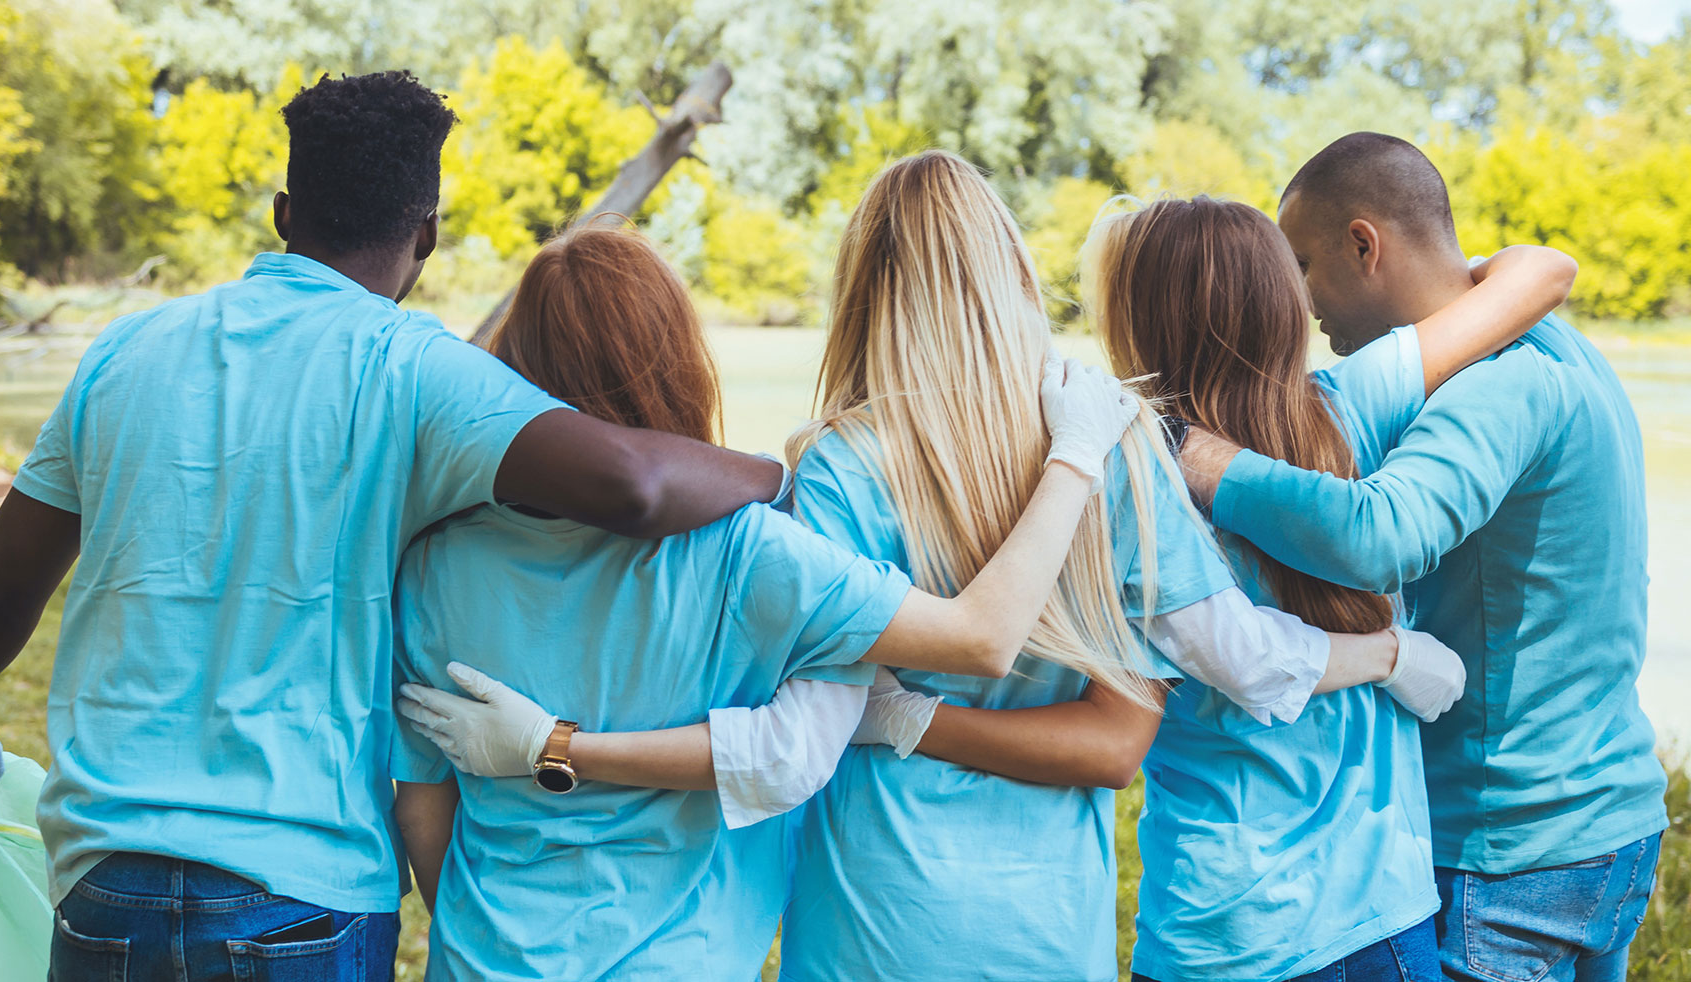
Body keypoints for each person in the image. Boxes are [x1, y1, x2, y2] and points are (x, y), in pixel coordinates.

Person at [405, 151, 1469, 982]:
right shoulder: (1108, 438)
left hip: (874, 918)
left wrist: (557, 747)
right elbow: (1242, 658)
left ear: (865, 288)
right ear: (1008, 271)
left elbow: (798, 744)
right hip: (1046, 926)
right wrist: (1386, 653)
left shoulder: (835, 471)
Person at [0, 72, 802, 982]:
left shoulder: (123, 351)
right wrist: (785, 473)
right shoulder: (418, 373)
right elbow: (638, 485)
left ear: (282, 212)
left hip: (105, 882)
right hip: (301, 897)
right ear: (427, 233)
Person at [388, 221, 1143, 980]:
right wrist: (1075, 454)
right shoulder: (750, 556)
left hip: (484, 956)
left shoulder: (430, 569)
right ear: (678, 360)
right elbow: (979, 639)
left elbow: (424, 804)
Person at [1177, 132, 1667, 982]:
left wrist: (1213, 466)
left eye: (1304, 264)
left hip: (1511, 844)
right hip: (1602, 818)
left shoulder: (1500, 382)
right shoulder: (1564, 344)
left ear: (1365, 246)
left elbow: (1380, 537)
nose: (1300, 302)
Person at [1085, 195, 1577, 982]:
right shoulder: (1354, 403)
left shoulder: (1129, 472)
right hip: (1382, 912)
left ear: (1139, 319)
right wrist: (1390, 654)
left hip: (1229, 925)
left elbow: (1235, 654)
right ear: (1280, 301)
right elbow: (1545, 271)